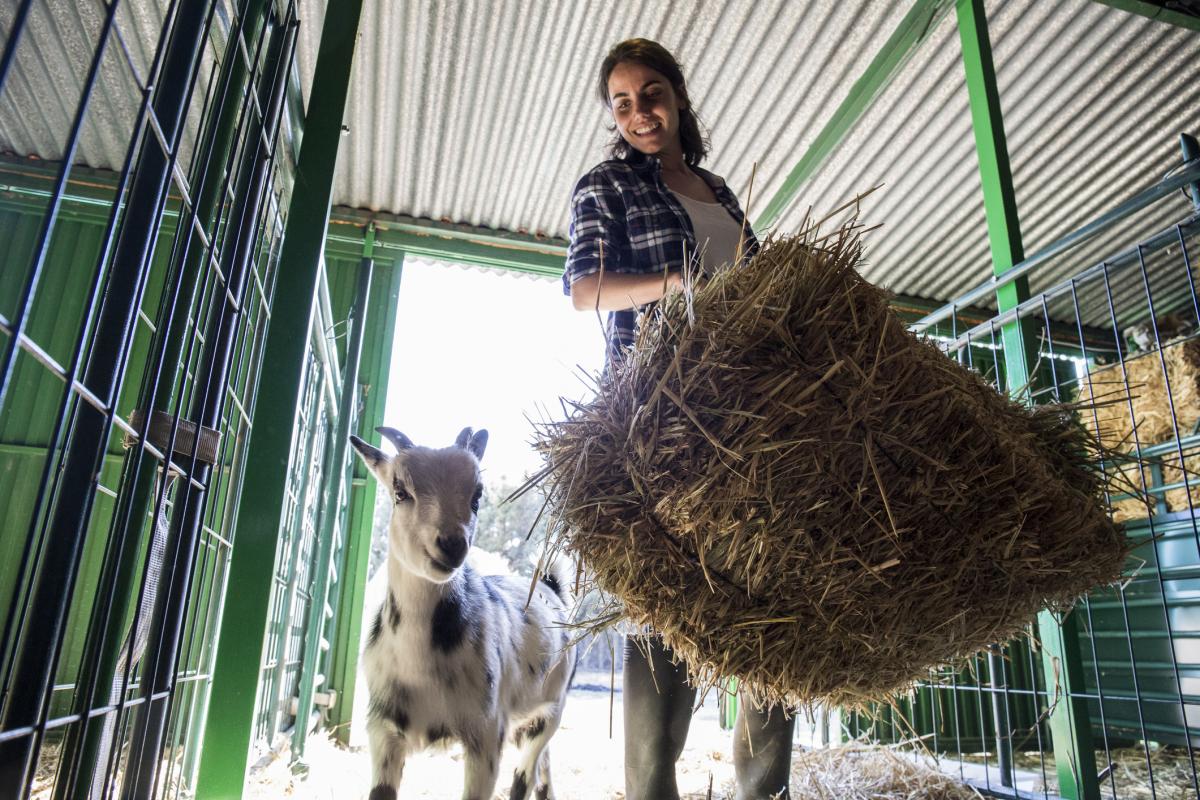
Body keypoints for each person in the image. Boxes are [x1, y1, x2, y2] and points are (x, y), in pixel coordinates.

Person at [562, 38, 795, 800]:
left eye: (651, 93)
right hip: (661, 418)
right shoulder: (605, 187)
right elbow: (585, 290)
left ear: (679, 96)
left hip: (749, 419)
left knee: (774, 592)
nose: (639, 113)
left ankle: (765, 788)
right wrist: (674, 282)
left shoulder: (719, 191)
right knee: (669, 603)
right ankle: (650, 790)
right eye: (622, 103)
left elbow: (754, 282)